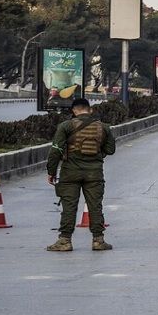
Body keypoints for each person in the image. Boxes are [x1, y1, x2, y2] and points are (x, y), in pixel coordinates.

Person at [46, 98, 116, 251]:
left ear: (74, 110)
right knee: (95, 206)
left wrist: (51, 172)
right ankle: (98, 240)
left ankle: (65, 241)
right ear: (90, 110)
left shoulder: (66, 126)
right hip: (94, 173)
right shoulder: (103, 127)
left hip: (70, 173)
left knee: (69, 206)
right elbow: (110, 150)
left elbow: (56, 151)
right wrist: (97, 153)